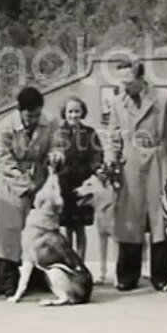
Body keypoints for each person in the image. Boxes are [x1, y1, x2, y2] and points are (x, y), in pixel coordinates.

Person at [104, 59, 167, 291]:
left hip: (159, 159)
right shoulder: (117, 102)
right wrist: (110, 160)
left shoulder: (164, 99)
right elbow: (113, 135)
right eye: (121, 81)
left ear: (141, 79)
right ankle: (127, 274)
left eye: (129, 81)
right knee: (129, 216)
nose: (125, 86)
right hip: (130, 161)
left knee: (160, 217)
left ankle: (161, 275)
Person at [0, 86, 63, 296]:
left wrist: (56, 155)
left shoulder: (50, 122)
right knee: (10, 231)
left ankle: (37, 277)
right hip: (12, 184)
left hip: (40, 179)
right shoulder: (5, 127)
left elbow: (56, 145)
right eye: (29, 115)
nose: (34, 119)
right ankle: (8, 281)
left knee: (38, 231)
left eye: (37, 114)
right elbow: (3, 160)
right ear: (20, 111)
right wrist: (24, 185)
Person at [56, 96, 103, 260]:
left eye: (77, 111)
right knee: (67, 227)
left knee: (80, 227)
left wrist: (93, 169)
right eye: (70, 111)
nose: (73, 115)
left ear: (82, 112)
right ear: (65, 113)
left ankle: (81, 262)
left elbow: (97, 155)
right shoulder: (58, 133)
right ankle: (69, 261)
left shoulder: (90, 133)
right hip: (64, 185)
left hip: (83, 184)